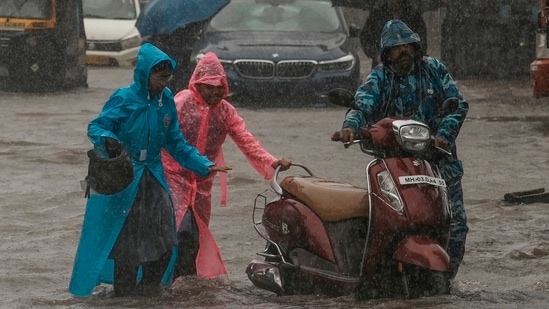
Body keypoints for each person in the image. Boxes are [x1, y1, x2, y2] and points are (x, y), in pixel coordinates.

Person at [68, 43, 231, 298]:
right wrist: (109, 139)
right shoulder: (123, 98)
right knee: (126, 245)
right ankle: (123, 297)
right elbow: (96, 127)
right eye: (159, 77)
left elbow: (175, 142)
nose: (164, 83)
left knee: (166, 240)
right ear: (144, 73)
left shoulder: (165, 100)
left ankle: (150, 292)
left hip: (154, 177)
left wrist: (205, 164)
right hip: (125, 179)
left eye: (168, 78)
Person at [332, 20, 469, 279]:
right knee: (388, 222)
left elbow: (458, 104)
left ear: (416, 47)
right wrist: (350, 127)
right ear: (386, 53)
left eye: (408, 46)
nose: (404, 51)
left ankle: (447, 281)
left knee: (457, 226)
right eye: (397, 48)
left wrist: (442, 136)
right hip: (396, 168)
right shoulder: (379, 77)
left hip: (440, 164)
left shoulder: (434, 69)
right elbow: (361, 107)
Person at [161, 51, 292, 279]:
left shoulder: (225, 111)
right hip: (173, 176)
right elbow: (163, 135)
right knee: (179, 230)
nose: (214, 92)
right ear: (197, 85)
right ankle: (169, 279)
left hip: (203, 182)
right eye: (208, 86)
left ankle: (186, 283)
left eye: (218, 86)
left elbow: (246, 139)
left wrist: (272, 161)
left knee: (197, 235)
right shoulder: (181, 103)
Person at [360, 0, 427, 70]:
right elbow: (365, 38)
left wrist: (412, 54)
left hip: (409, 68)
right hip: (382, 67)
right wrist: (376, 54)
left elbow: (421, 41)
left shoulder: (414, 16)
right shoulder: (377, 15)